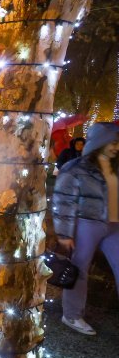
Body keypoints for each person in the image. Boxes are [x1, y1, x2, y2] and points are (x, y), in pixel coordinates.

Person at [52, 123, 119, 336]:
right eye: (114, 143)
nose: (116, 148)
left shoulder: (116, 167)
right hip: (87, 224)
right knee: (79, 270)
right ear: (101, 142)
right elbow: (63, 201)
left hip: (115, 226)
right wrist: (64, 233)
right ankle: (71, 315)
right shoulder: (75, 168)